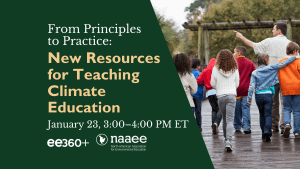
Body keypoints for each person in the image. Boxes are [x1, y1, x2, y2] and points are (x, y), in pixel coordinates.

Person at [234, 21, 290, 133]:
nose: (272, 31)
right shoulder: (290, 44)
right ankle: (284, 125)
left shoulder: (269, 41)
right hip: (286, 77)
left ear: (279, 31)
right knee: (285, 103)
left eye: (273, 29)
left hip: (271, 77)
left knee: (274, 103)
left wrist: (241, 37)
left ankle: (274, 126)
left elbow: (253, 45)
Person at [247, 54, 297, 141]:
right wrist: (294, 57)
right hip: (268, 95)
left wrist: (249, 98)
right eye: (268, 59)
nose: (269, 61)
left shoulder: (255, 72)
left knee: (261, 115)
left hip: (258, 95)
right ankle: (267, 131)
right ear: (265, 60)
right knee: (268, 114)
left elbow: (251, 86)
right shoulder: (272, 68)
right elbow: (284, 63)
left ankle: (263, 133)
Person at [211, 49, 239, 151]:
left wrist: (219, 88)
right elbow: (237, 83)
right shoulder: (235, 68)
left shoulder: (215, 68)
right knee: (230, 119)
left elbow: (212, 83)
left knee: (224, 118)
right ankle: (229, 140)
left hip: (221, 96)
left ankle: (226, 139)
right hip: (231, 95)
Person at [278, 42, 300, 138]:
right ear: (295, 51)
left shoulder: (281, 61)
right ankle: (297, 132)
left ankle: (287, 124)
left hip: (285, 88)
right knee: (297, 111)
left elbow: (278, 75)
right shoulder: (298, 61)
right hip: (297, 88)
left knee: (286, 108)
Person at [233, 46, 256, 134]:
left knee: (237, 109)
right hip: (246, 90)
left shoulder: (233, 63)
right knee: (246, 108)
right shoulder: (250, 62)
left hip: (236, 90)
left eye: (234, 52)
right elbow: (254, 74)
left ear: (239, 53)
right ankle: (246, 127)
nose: (233, 54)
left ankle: (237, 126)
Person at [197, 58, 222, 134]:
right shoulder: (219, 70)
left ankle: (212, 126)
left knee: (214, 109)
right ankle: (216, 123)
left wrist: (205, 83)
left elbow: (198, 80)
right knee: (220, 109)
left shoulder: (205, 70)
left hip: (209, 93)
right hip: (219, 91)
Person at [191, 58, 204, 131]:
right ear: (198, 66)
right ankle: (199, 127)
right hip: (198, 95)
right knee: (198, 111)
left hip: (190, 95)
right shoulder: (200, 73)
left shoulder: (187, 73)